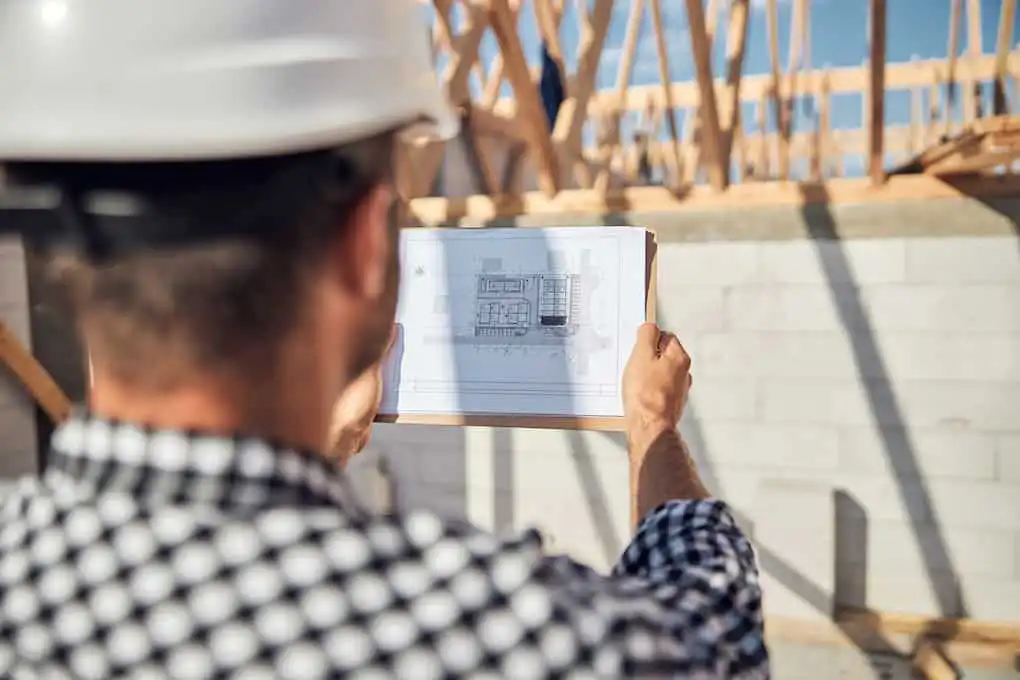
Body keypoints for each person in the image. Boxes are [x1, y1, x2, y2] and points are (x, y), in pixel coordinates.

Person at [0, 0, 768, 677]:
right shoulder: (491, 631)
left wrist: (324, 448)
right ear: (367, 242)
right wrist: (651, 427)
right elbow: (714, 633)